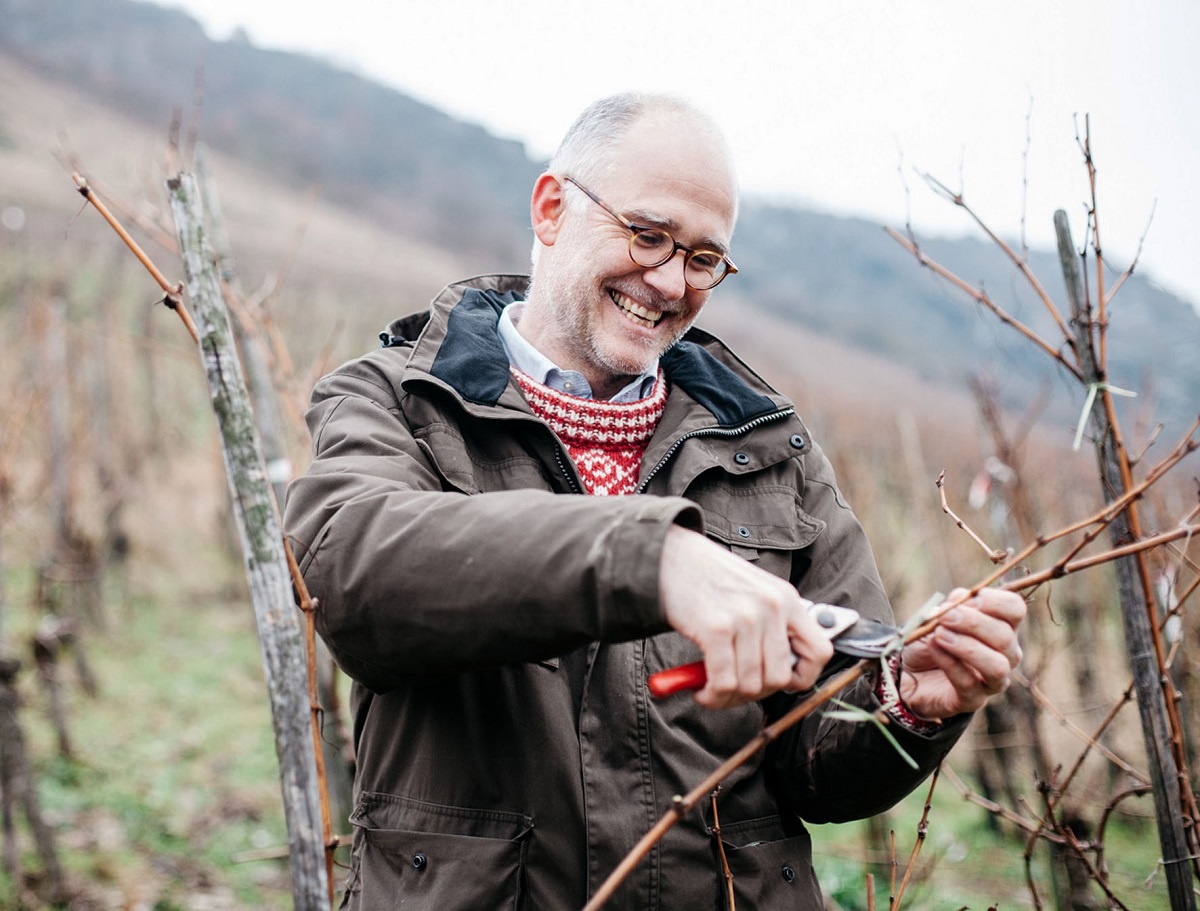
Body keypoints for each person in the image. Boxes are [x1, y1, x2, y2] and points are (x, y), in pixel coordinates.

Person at [284, 93, 1025, 911]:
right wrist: (652, 556)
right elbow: (353, 575)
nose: (669, 281)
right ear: (552, 207)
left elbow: (817, 754)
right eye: (647, 234)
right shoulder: (398, 399)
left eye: (704, 258)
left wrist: (905, 702)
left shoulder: (768, 444)